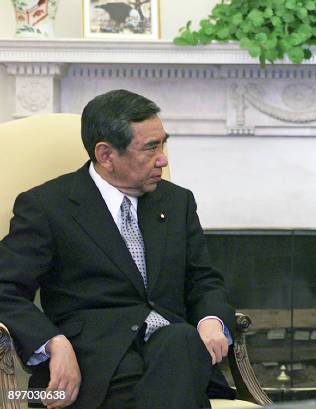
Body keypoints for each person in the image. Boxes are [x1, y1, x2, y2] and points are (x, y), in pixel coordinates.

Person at [0, 90, 235, 409]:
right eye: (151, 148)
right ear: (106, 155)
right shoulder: (48, 206)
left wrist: (211, 320)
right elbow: (5, 287)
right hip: (96, 366)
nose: (163, 159)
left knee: (180, 339)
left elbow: (203, 280)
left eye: (163, 143)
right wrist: (52, 342)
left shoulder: (177, 202)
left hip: (175, 354)